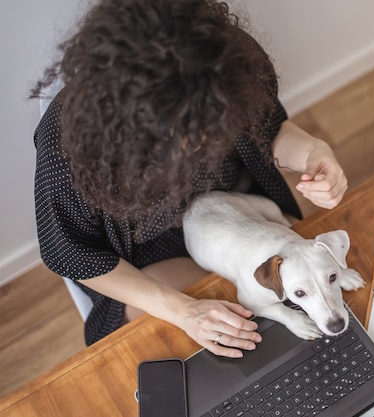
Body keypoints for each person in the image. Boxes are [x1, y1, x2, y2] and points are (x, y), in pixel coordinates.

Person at [31, 0, 348, 358]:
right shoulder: (65, 147)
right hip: (147, 257)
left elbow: (270, 128)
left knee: (322, 293)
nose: (201, 148)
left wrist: (311, 153)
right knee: (225, 339)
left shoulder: (230, 62)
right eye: (178, 140)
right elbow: (74, 255)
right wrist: (183, 311)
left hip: (241, 215)